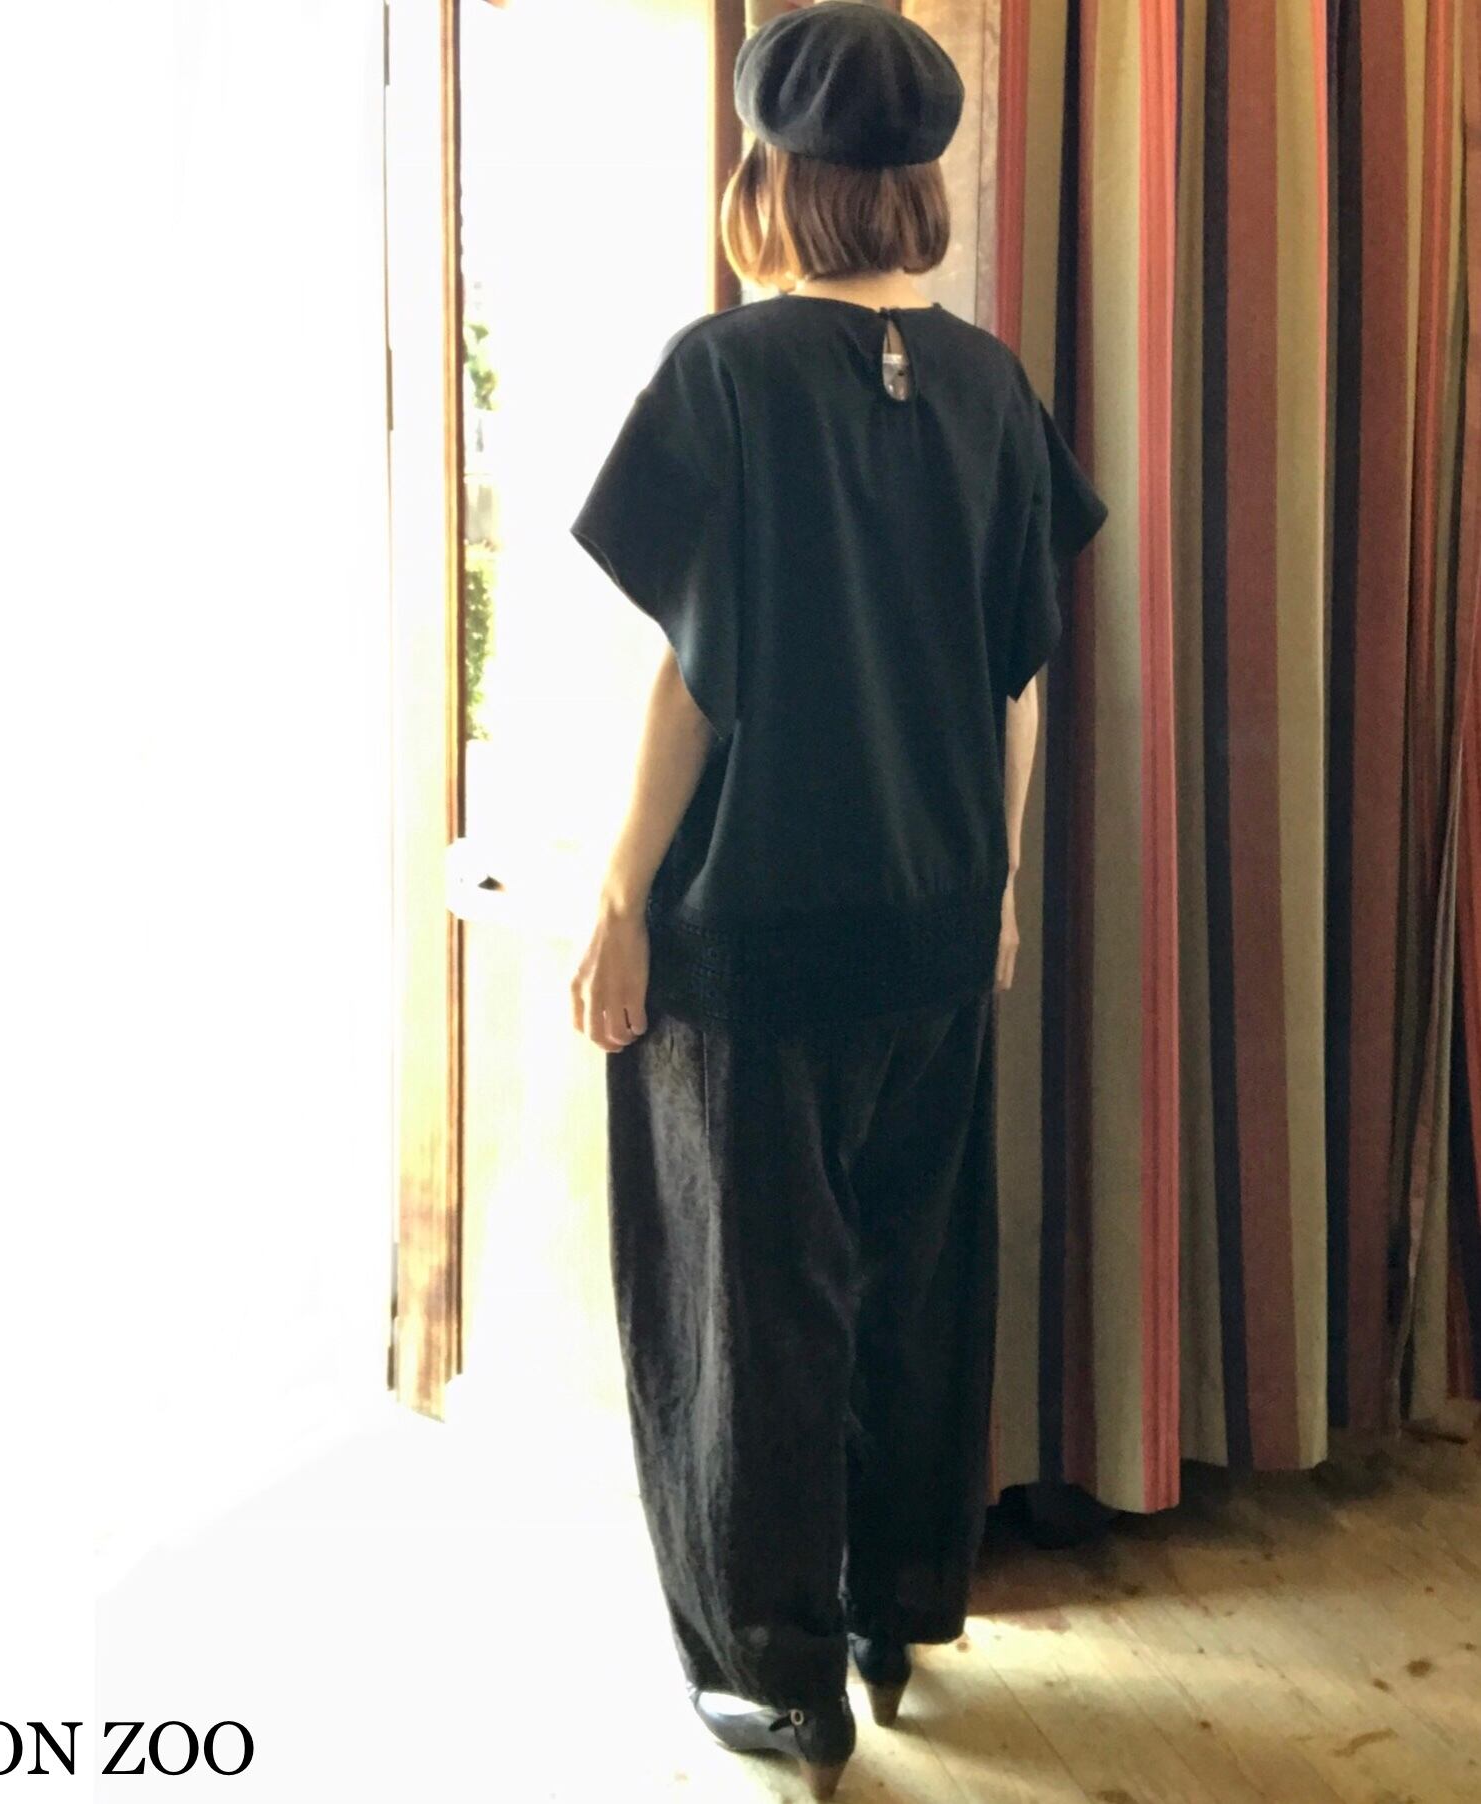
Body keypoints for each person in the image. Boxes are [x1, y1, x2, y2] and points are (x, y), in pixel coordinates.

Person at [565, 6, 1109, 1798]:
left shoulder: (723, 374)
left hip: (757, 934)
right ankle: (895, 1611)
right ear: (915, 181)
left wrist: (620, 893)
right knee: (911, 1283)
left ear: (773, 176)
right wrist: (998, 892)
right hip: (936, 920)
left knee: (749, 1309)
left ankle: (779, 1678)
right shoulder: (993, 386)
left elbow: (692, 676)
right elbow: (1016, 681)